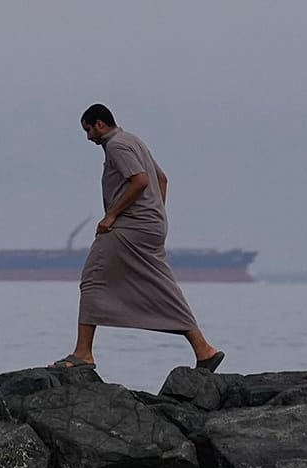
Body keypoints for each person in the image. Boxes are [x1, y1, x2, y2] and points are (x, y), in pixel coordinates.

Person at [49, 103, 224, 373]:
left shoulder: (117, 145)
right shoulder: (133, 140)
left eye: (88, 130)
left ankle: (83, 353)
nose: (88, 138)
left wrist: (111, 216)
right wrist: (156, 215)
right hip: (150, 226)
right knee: (162, 286)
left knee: (93, 277)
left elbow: (141, 180)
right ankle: (204, 349)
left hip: (129, 226)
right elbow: (162, 179)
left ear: (100, 124)